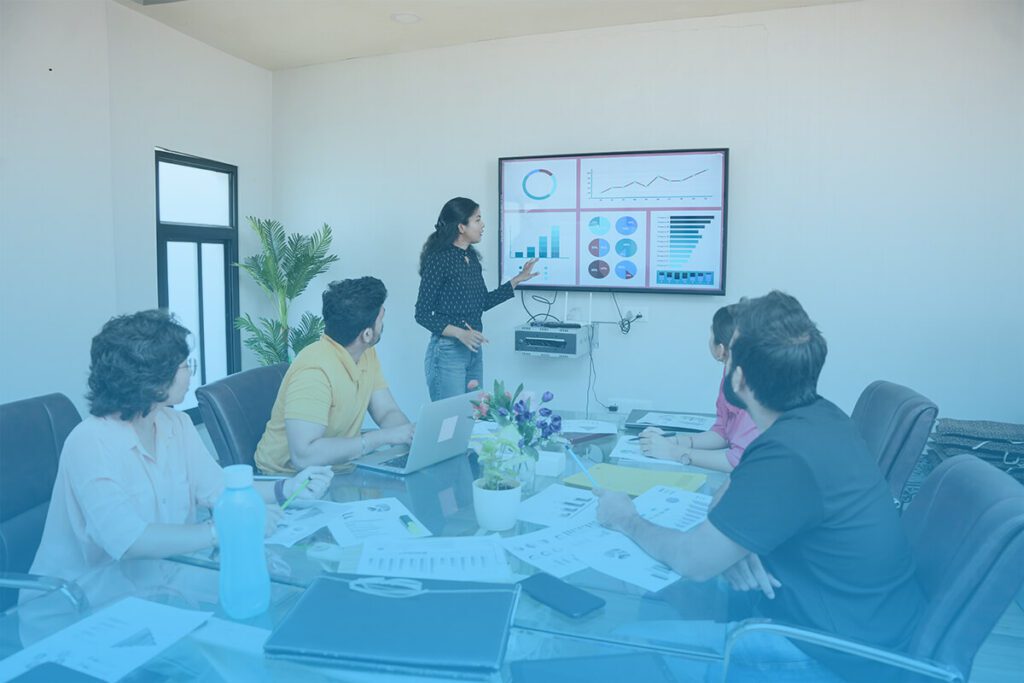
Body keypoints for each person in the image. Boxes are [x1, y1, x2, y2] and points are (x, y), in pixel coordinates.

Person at [596, 291, 925, 682]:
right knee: (662, 601)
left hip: (834, 654)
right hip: (852, 620)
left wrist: (626, 518)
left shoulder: (788, 454)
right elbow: (729, 496)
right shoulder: (819, 418)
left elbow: (693, 561)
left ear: (739, 378)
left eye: (730, 352)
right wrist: (737, 545)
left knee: (614, 641)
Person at [29, 310, 333, 585]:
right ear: (148, 378)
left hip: (163, 585)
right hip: (85, 603)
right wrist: (221, 530)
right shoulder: (90, 442)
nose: (190, 373)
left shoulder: (176, 424)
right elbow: (128, 540)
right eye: (184, 365)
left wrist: (286, 488)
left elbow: (219, 489)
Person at [255, 276, 414, 473]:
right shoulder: (314, 372)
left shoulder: (366, 353)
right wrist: (383, 437)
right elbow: (304, 456)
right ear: (366, 334)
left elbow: (386, 411)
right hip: (291, 480)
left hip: (340, 469)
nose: (383, 322)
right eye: (381, 318)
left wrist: (410, 437)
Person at [415, 197, 539, 400]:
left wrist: (516, 280)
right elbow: (422, 314)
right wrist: (460, 333)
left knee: (472, 416)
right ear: (461, 226)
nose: (483, 225)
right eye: (477, 220)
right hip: (447, 352)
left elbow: (482, 302)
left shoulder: (470, 258)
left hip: (473, 349)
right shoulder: (439, 259)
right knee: (449, 419)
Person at [639, 304, 759, 471]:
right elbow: (722, 432)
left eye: (711, 334)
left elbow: (739, 461)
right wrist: (672, 441)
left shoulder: (754, 387)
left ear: (721, 349)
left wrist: (674, 452)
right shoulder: (730, 371)